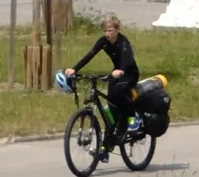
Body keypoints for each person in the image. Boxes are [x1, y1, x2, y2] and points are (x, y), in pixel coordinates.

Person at [60, 15, 140, 148]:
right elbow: (89, 55)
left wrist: (121, 70)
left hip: (129, 73)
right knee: (111, 104)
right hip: (116, 74)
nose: (107, 34)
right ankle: (106, 147)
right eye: (105, 31)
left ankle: (133, 118)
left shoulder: (123, 42)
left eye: (110, 31)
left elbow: (128, 59)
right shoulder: (103, 41)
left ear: (117, 29)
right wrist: (74, 69)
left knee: (118, 92)